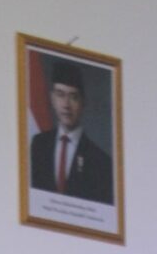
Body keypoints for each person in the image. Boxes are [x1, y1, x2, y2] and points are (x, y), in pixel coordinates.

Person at [30, 59, 114, 204]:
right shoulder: (38, 144)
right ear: (52, 98)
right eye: (60, 94)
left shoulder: (101, 161)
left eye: (73, 97)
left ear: (83, 103)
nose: (66, 105)